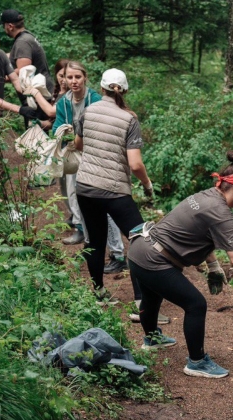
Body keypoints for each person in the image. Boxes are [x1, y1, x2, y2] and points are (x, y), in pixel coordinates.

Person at [127, 151, 233, 378]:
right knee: (196, 304)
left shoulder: (207, 195)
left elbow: (202, 233)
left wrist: (213, 266)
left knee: (152, 296)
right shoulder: (222, 214)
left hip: (140, 251)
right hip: (156, 259)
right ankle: (196, 362)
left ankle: (152, 339)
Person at [74, 67, 151, 309]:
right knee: (138, 239)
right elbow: (136, 164)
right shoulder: (129, 119)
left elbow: (78, 145)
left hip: (85, 186)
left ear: (102, 87)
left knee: (95, 240)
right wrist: (147, 184)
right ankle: (141, 301)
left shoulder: (87, 112)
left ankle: (98, 294)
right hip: (115, 190)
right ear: (124, 89)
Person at [51, 61, 131, 278]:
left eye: (78, 77)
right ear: (64, 79)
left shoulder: (94, 100)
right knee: (78, 200)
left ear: (85, 78)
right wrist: (63, 133)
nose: (73, 81)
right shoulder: (63, 103)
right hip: (75, 156)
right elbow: (56, 127)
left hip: (96, 159)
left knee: (104, 207)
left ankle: (117, 254)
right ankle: (91, 248)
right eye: (69, 77)